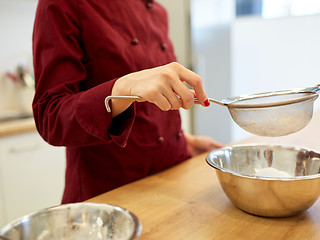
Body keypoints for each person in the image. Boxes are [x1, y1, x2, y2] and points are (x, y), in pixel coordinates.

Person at [32, 0, 223, 204]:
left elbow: (151, 105)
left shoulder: (157, 11)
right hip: (109, 199)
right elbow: (50, 116)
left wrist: (183, 141)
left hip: (172, 185)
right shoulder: (64, 4)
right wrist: (123, 87)